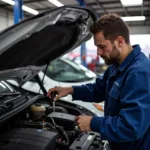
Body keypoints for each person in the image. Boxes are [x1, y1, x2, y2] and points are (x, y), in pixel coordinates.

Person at [47, 13, 150, 150]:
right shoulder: (117, 65)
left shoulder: (138, 73)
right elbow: (98, 89)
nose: (98, 53)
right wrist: (70, 90)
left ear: (119, 41)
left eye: (102, 46)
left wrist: (93, 123)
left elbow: (131, 127)